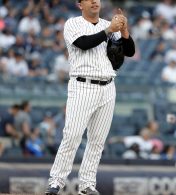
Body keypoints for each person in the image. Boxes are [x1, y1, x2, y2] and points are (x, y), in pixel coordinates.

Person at [45, 0, 135, 194]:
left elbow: (129, 51)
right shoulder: (73, 23)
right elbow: (83, 43)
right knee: (72, 136)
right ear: (80, 5)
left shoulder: (106, 24)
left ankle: (86, 185)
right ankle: (56, 182)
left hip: (108, 87)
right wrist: (110, 29)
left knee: (97, 141)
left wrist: (124, 31)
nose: (95, 1)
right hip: (82, 85)